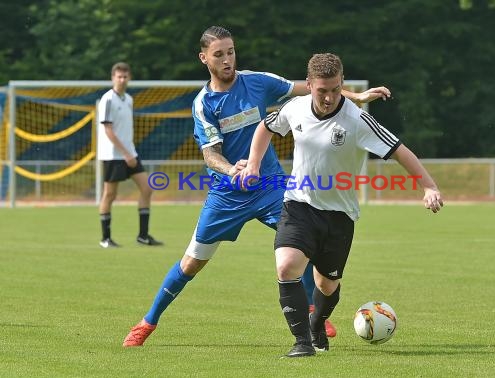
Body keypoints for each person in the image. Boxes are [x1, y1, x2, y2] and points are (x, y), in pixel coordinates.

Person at [122, 26, 390, 346]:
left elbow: (311, 88)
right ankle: (147, 323)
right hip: (227, 194)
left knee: (303, 243)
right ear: (203, 58)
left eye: (231, 51)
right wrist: (231, 170)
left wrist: (356, 96)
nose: (227, 59)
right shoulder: (204, 103)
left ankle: (311, 315)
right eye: (218, 54)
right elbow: (210, 155)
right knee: (191, 262)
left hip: (272, 185)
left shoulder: (257, 82)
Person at [239, 52, 444, 357]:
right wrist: (253, 164)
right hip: (298, 205)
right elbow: (266, 127)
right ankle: (302, 343)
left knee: (327, 285)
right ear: (309, 85)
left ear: (342, 84)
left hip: (339, 215)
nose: (329, 97)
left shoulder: (357, 119)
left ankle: (317, 323)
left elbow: (400, 151)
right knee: (287, 266)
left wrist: (428, 185)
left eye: (336, 89)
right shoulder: (294, 108)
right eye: (322, 90)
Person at [97, 62, 163, 248]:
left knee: (147, 188)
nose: (122, 79)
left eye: (125, 76)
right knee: (110, 194)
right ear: (113, 78)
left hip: (130, 153)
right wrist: (126, 154)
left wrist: (129, 152)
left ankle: (143, 236)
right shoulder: (107, 99)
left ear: (129, 78)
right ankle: (105, 238)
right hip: (113, 155)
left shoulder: (128, 99)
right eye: (118, 76)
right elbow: (108, 130)